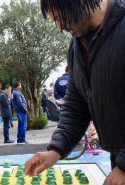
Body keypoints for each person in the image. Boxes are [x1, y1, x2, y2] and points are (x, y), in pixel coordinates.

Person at [24, 0, 125, 184]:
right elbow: (75, 107)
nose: (61, 26)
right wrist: (55, 150)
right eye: (56, 20)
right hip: (118, 158)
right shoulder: (76, 47)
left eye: (62, 17)